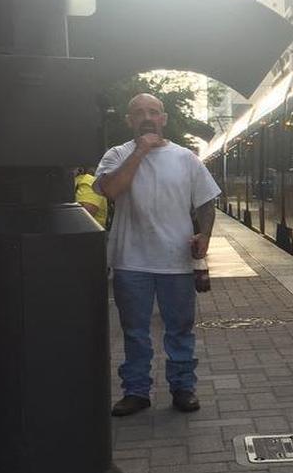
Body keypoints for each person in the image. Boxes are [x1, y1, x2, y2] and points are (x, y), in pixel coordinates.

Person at [95, 94, 219, 417]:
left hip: (175, 261)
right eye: (139, 113)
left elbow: (206, 202)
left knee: (179, 328)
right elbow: (110, 189)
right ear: (129, 120)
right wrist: (141, 150)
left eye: (153, 112)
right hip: (129, 260)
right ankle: (136, 391)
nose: (146, 117)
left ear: (163, 118)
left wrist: (204, 235)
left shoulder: (186, 159)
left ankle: (182, 387)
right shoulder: (117, 154)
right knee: (134, 331)